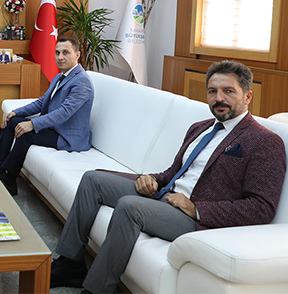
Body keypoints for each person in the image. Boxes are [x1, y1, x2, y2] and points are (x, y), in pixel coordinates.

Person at [50, 60, 286, 294]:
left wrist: (196, 209)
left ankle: (96, 290)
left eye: (229, 91)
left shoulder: (265, 141)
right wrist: (151, 179)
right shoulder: (200, 127)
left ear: (247, 96)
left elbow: (261, 208)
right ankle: (71, 264)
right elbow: (174, 172)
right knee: (93, 180)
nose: (219, 98)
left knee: (130, 207)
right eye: (212, 91)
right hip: (166, 195)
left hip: (196, 219)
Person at [0, 37, 93, 196]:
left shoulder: (82, 82)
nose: (60, 57)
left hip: (68, 136)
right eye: (57, 53)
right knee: (12, 121)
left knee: (26, 134)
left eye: (65, 53)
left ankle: (10, 181)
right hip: (54, 128)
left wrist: (32, 124)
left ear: (77, 55)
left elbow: (64, 113)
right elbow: (42, 102)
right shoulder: (60, 77)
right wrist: (16, 112)